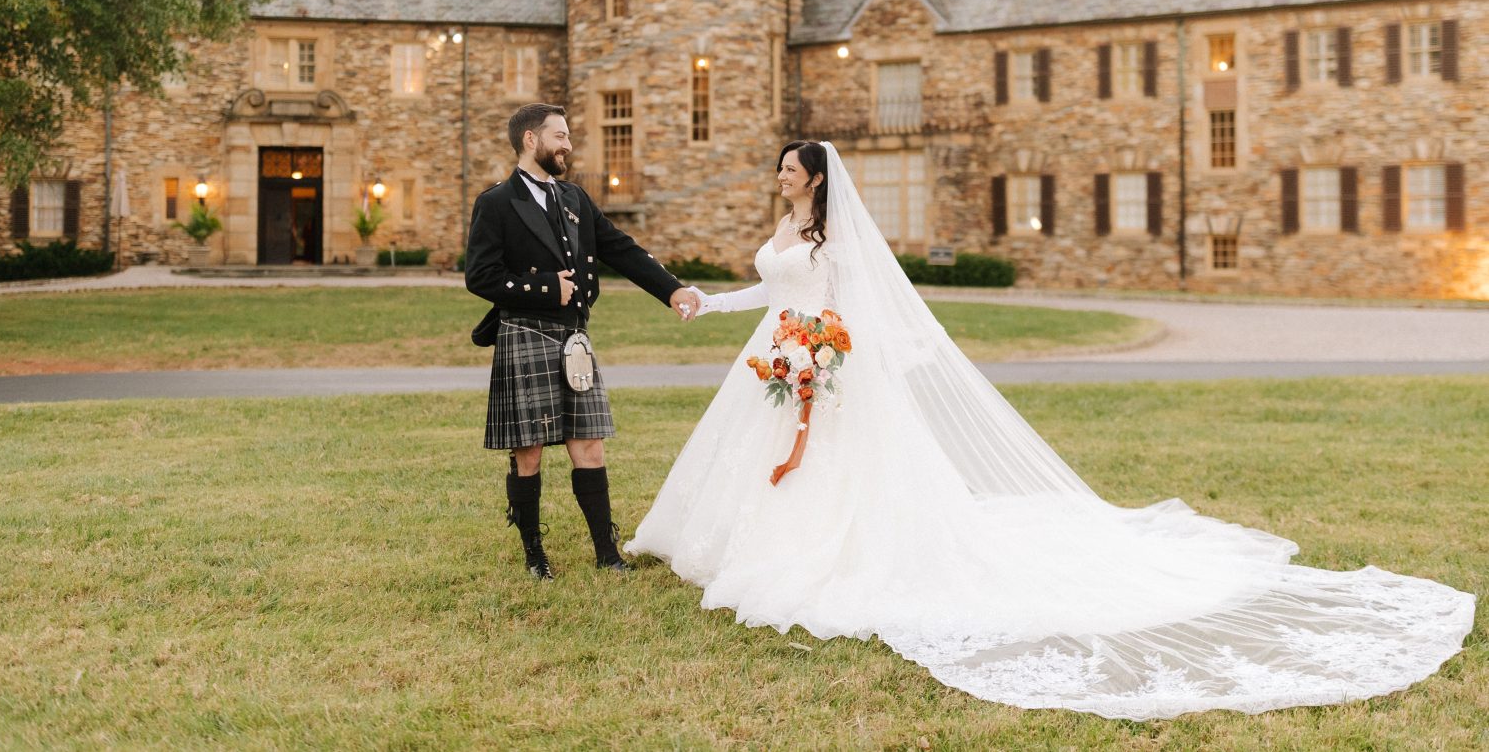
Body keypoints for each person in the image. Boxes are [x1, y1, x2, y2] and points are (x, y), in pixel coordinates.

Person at [625, 140, 1475, 719]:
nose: (779, 176)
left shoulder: (838, 233)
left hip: (826, 362)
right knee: (760, 457)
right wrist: (704, 300)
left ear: (816, 179)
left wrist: (827, 355)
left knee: (840, 474)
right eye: (778, 167)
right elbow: (770, 291)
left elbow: (850, 307)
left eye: (789, 169)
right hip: (776, 356)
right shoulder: (782, 230)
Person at [465, 103, 700, 580]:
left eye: (568, 136)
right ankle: (534, 555)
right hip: (525, 335)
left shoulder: (574, 197)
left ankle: (607, 554)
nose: (568, 144)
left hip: (574, 338)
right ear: (531, 140)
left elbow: (620, 247)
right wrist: (547, 286)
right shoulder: (495, 203)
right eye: (560, 135)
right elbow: (481, 276)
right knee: (527, 451)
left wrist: (671, 288)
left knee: (589, 445)